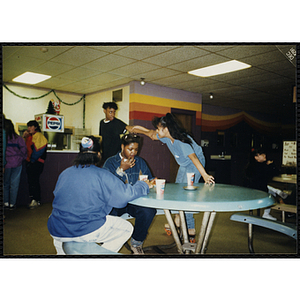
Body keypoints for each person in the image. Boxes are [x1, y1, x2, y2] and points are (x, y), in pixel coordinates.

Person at [47, 136, 152, 255]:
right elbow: (124, 197)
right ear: (98, 154)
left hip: (56, 229)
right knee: (126, 228)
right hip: (83, 230)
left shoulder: (65, 173)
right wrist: (143, 185)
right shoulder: (102, 174)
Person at [129, 113, 215, 242]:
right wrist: (135, 129)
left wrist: (205, 175)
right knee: (178, 191)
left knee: (187, 195)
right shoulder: (167, 137)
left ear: (166, 129)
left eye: (159, 128)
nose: (158, 131)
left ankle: (189, 228)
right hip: (185, 164)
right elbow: (151, 134)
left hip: (195, 165)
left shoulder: (181, 142)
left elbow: (194, 158)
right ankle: (178, 220)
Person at [103, 133, 157, 254]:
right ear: (122, 147)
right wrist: (121, 170)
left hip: (134, 201)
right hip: (115, 203)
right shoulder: (110, 162)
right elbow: (106, 185)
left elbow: (149, 179)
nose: (133, 152)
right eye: (130, 149)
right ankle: (107, 243)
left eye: (136, 150)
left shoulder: (140, 162)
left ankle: (136, 242)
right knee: (106, 214)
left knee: (148, 211)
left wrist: (153, 181)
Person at [245, 147, 284, 220]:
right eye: (261, 154)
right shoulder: (261, 166)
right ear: (256, 157)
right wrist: (271, 165)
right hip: (258, 191)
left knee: (271, 191)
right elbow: (274, 173)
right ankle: (266, 214)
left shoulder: (251, 166)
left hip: (252, 190)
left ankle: (277, 191)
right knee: (272, 195)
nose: (264, 155)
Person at [23, 120, 48, 209]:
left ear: (36, 127)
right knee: (32, 181)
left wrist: (32, 160)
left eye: (31, 126)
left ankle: (35, 200)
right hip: (32, 162)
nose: (29, 128)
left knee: (34, 181)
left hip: (36, 162)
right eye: (28, 126)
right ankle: (35, 199)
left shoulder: (38, 136)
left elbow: (38, 150)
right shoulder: (30, 136)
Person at [4, 119, 27, 210]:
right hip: (17, 163)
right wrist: (21, 158)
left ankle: (5, 202)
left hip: (6, 164)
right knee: (14, 184)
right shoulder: (18, 138)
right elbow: (24, 150)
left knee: (5, 184)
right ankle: (12, 204)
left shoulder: (4, 138)